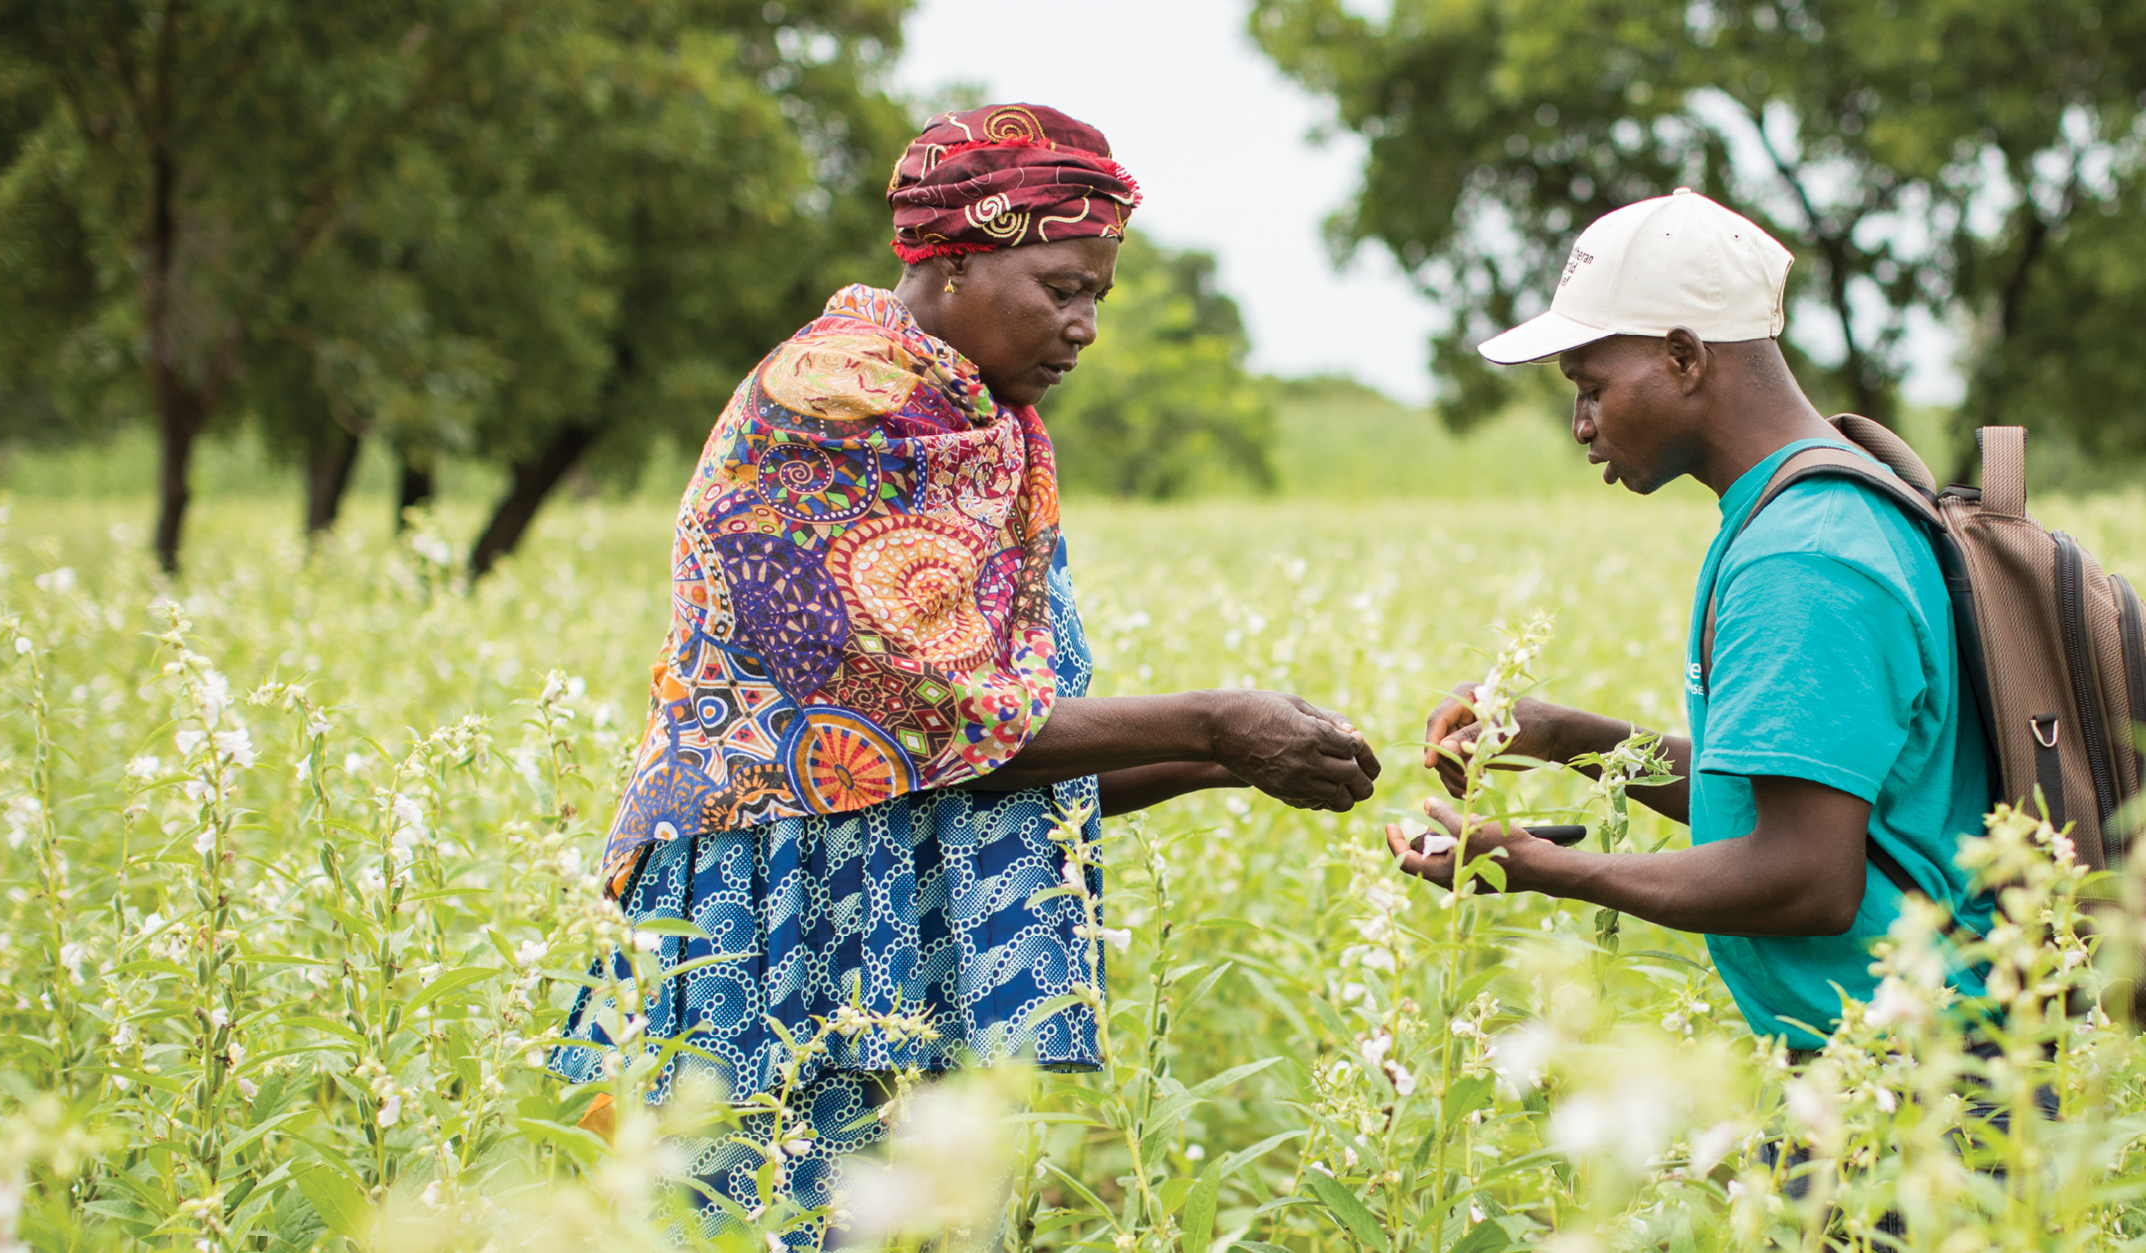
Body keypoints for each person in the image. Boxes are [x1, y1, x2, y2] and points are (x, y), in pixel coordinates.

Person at [550, 103, 1380, 1243]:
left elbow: (996, 758)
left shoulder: (982, 426)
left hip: (892, 930)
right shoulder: (834, 406)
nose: (1084, 325)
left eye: (1098, 293)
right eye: (1061, 286)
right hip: (774, 929)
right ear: (952, 259)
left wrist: (1227, 758)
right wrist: (1219, 721)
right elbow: (936, 730)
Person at [1388, 189, 1995, 1055]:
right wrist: (1564, 736)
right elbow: (1772, 795)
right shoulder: (1806, 507)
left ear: (1683, 356)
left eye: (1591, 387)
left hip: (1917, 1091)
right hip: (1888, 1067)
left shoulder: (1805, 554)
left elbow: (1805, 877)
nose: (1580, 423)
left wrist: (1541, 868)